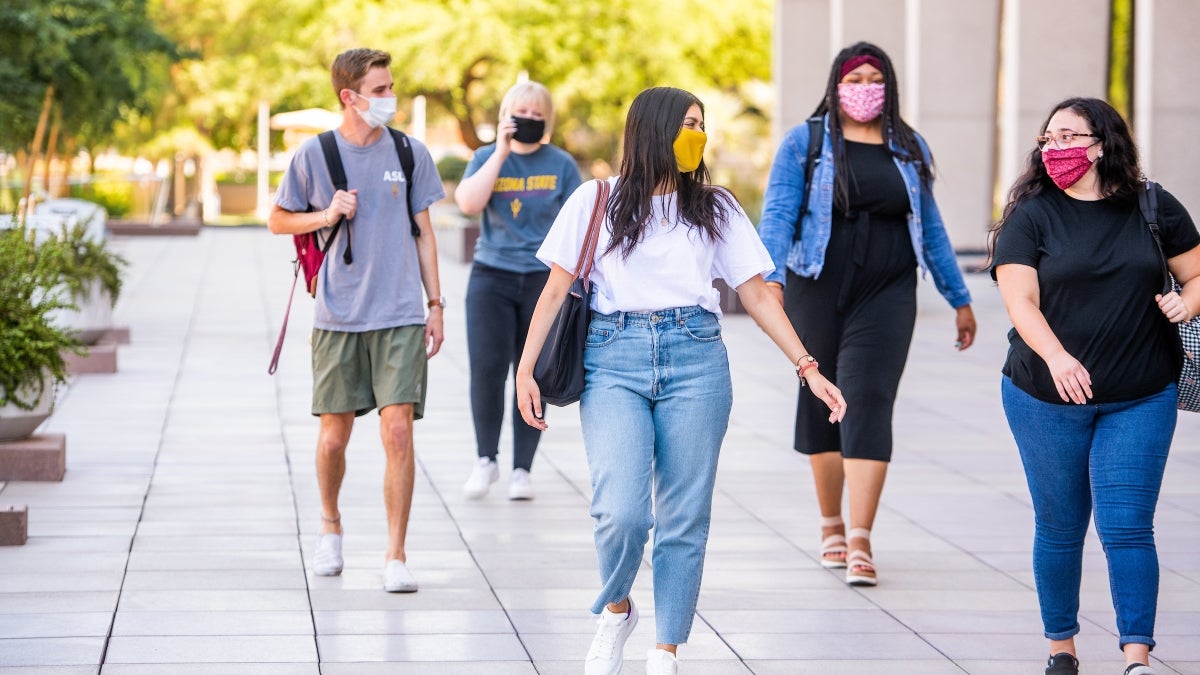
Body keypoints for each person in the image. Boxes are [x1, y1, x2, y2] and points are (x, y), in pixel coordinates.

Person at [514, 86, 847, 675]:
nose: (697, 134)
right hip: (613, 358)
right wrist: (525, 370)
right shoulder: (596, 201)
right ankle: (616, 609)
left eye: (701, 124)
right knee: (620, 511)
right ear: (652, 131)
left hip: (697, 358)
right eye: (686, 124)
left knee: (684, 516)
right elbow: (555, 291)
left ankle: (665, 649)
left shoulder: (715, 208)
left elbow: (755, 294)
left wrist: (807, 366)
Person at [989, 97, 1200, 675]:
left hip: (1141, 393)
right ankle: (1062, 647)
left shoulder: (1152, 205)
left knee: (1128, 525)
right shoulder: (1030, 215)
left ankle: (1137, 657)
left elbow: (1198, 270)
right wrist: (1057, 356)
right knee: (1060, 525)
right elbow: (1019, 300)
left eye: (1069, 137)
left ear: (1102, 143)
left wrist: (1188, 302)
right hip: (1043, 396)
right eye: (1048, 139)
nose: (1055, 149)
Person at [757, 41, 976, 587]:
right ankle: (829, 524)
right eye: (852, 80)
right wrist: (770, 284)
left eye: (873, 78)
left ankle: (859, 538)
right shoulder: (804, 142)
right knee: (820, 404)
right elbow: (779, 214)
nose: (863, 89)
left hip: (888, 290)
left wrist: (959, 298)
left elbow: (932, 226)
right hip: (816, 285)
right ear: (834, 86)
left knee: (870, 399)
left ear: (890, 85)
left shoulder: (908, 146)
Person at [267, 48, 447, 593]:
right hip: (338, 314)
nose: (390, 98)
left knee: (397, 432)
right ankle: (330, 526)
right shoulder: (314, 155)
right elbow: (277, 219)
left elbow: (425, 232)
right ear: (350, 96)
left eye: (391, 86)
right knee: (333, 440)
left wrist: (435, 306)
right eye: (381, 90)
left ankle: (395, 554)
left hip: (397, 314)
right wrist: (327, 214)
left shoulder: (410, 153)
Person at [453, 81, 582, 501]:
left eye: (537, 114)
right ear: (506, 114)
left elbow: (580, 222)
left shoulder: (561, 164)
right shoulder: (485, 157)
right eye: (520, 112)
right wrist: (501, 152)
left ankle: (522, 469)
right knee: (486, 370)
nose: (528, 119)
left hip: (543, 283)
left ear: (547, 120)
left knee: (532, 374)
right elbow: (468, 204)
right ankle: (485, 459)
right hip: (492, 277)